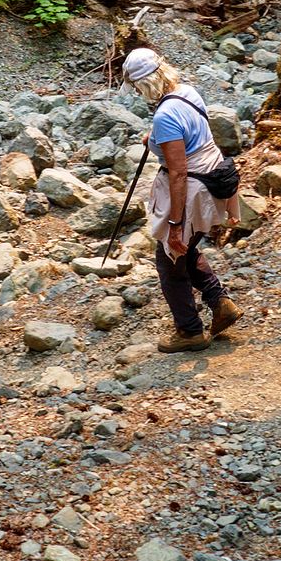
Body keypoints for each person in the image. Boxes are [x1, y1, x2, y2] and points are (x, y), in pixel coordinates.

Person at [121, 47, 242, 353]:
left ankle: (190, 332)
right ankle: (221, 303)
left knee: (169, 261)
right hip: (216, 181)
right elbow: (192, 137)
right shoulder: (187, 92)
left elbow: (178, 173)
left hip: (194, 192)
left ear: (144, 84)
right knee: (184, 252)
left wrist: (175, 224)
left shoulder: (164, 115)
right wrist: (155, 139)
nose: (136, 92)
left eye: (136, 87)